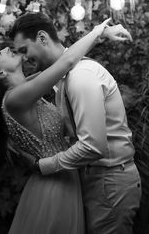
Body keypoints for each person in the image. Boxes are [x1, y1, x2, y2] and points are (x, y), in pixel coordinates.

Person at [10, 12, 141, 234]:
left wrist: (43, 165)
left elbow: (92, 146)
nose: (23, 59)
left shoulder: (80, 77)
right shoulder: (61, 77)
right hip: (94, 179)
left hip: (108, 182)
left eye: (24, 50)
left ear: (42, 38)